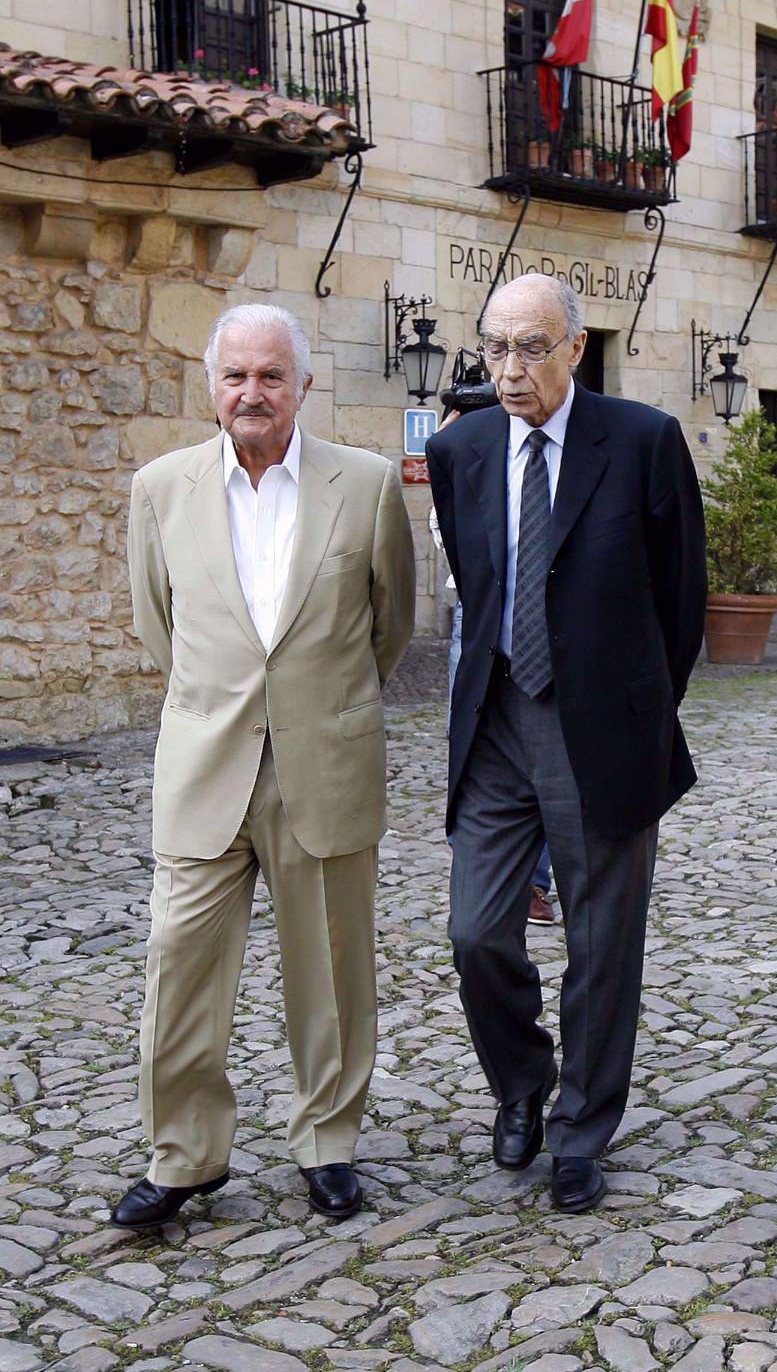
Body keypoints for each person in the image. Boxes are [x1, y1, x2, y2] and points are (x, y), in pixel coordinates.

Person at [114, 304, 415, 1231]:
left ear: (303, 387)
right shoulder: (160, 488)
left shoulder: (365, 486)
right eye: (237, 375)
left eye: (272, 375)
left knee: (330, 968)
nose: (254, 392)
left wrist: (318, 706)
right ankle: (185, 1155)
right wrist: (229, 705)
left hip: (323, 765)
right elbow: (158, 624)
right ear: (213, 386)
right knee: (179, 961)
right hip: (207, 766)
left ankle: (327, 1143)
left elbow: (390, 626)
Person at [426, 273, 706, 1213]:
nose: (510, 370)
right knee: (475, 930)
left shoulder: (641, 441)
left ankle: (583, 1127)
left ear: (576, 349)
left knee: (601, 942)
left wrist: (634, 706)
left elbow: (682, 599)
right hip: (498, 720)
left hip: (606, 728)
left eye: (532, 347)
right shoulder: (462, 449)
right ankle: (521, 1083)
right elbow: (481, 581)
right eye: (495, 347)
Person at [430, 500, 556, 925]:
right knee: (469, 739)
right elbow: (442, 526)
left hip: (551, 606)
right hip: (482, 605)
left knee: (546, 750)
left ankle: (534, 881)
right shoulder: (463, 446)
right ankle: (484, 873)